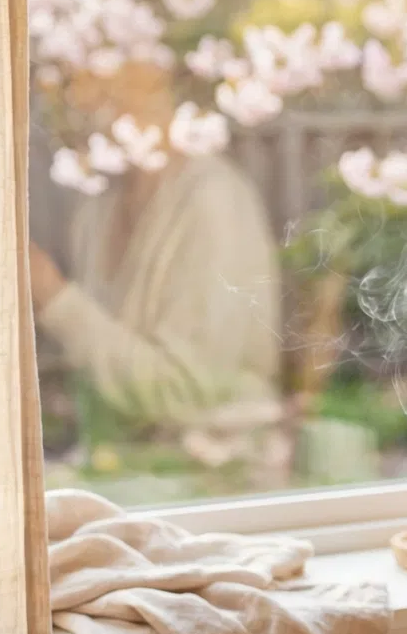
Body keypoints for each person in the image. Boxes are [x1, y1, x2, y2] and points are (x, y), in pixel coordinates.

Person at [30, 144, 283, 455]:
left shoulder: (212, 200)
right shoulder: (97, 205)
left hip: (218, 479)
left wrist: (53, 297)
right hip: (121, 474)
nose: (77, 102)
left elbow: (188, 392)